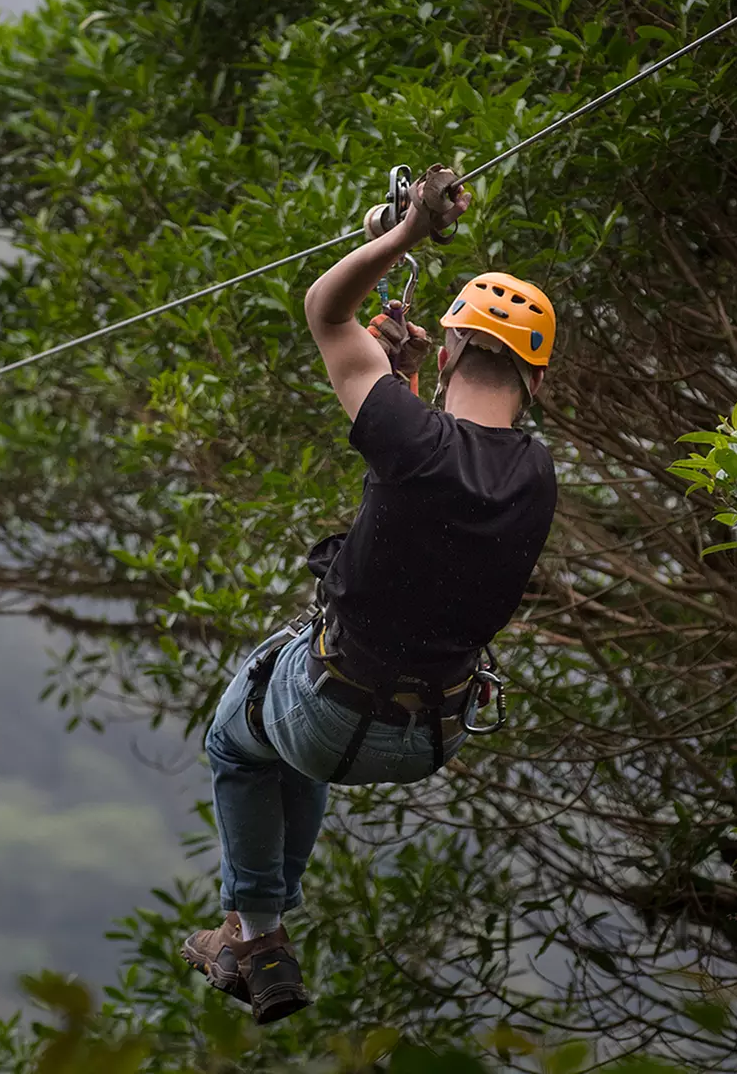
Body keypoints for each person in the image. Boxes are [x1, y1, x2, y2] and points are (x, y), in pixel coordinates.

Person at [181, 167, 560, 1023]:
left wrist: (401, 238)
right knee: (286, 720)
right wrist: (403, 388)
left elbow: (325, 311)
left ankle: (258, 929)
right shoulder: (535, 473)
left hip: (334, 716)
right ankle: (258, 929)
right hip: (434, 733)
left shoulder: (409, 435)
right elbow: (434, 489)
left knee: (242, 731)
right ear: (536, 379)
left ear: (455, 345)